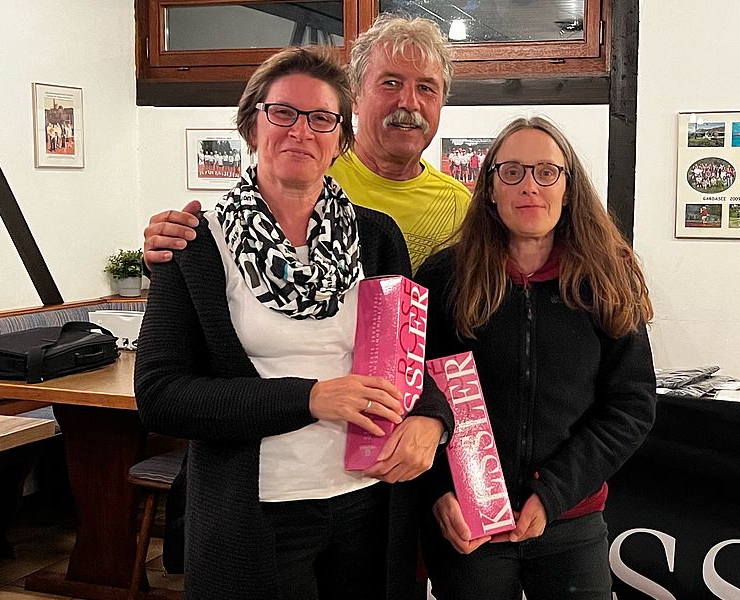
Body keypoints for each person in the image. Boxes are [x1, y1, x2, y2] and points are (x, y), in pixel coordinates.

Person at [134, 46, 452, 600]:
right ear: (251, 125)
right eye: (282, 112)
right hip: (255, 513)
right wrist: (310, 398)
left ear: (341, 138)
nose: (300, 131)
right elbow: (161, 396)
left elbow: (412, 364)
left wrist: (433, 419)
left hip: (369, 504)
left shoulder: (377, 238)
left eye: (322, 118)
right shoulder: (193, 243)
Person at [413, 116, 657, 600]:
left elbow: (631, 405)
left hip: (570, 521)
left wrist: (552, 494)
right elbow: (414, 395)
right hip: (470, 524)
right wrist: (437, 490)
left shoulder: (607, 280)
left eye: (547, 172)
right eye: (512, 172)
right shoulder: (444, 278)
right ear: (489, 189)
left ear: (568, 188)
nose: (530, 186)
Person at [144, 15, 471, 273]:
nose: (409, 102)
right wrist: (172, 251)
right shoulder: (308, 170)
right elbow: (230, 249)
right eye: (391, 83)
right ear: (355, 97)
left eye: (426, 88)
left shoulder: (460, 207)